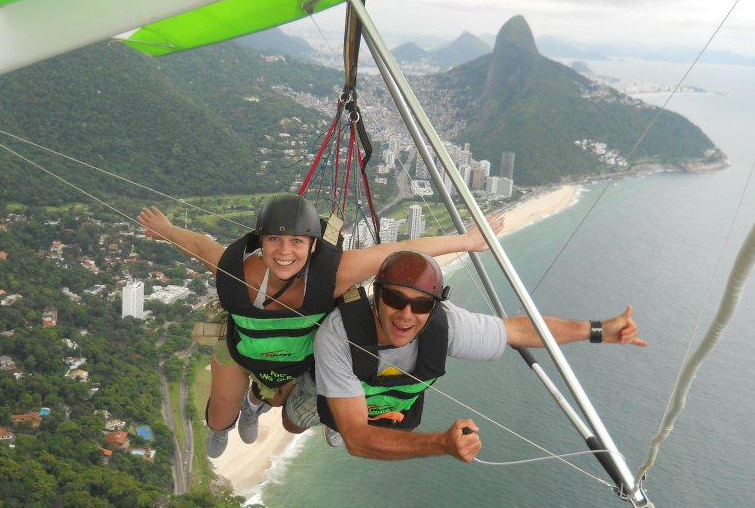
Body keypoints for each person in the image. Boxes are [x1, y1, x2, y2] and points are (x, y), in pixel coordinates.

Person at [138, 195, 500, 458]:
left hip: (297, 359)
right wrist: (167, 230)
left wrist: (467, 242)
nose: (285, 251)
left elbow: (402, 247)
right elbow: (201, 245)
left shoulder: (335, 275)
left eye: (296, 241)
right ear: (260, 242)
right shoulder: (239, 274)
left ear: (312, 246)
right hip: (245, 349)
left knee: (284, 401)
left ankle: (256, 404)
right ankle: (224, 425)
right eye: (274, 240)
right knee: (220, 413)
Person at [305, 250, 647, 462]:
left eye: (422, 305)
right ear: (376, 296)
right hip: (345, 407)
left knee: (360, 421)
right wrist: (440, 443)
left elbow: (519, 331)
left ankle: (348, 416)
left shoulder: (447, 326)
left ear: (435, 307)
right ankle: (314, 403)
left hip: (394, 411)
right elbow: (360, 441)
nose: (406, 315)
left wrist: (598, 330)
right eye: (395, 300)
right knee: (300, 419)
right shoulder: (338, 336)